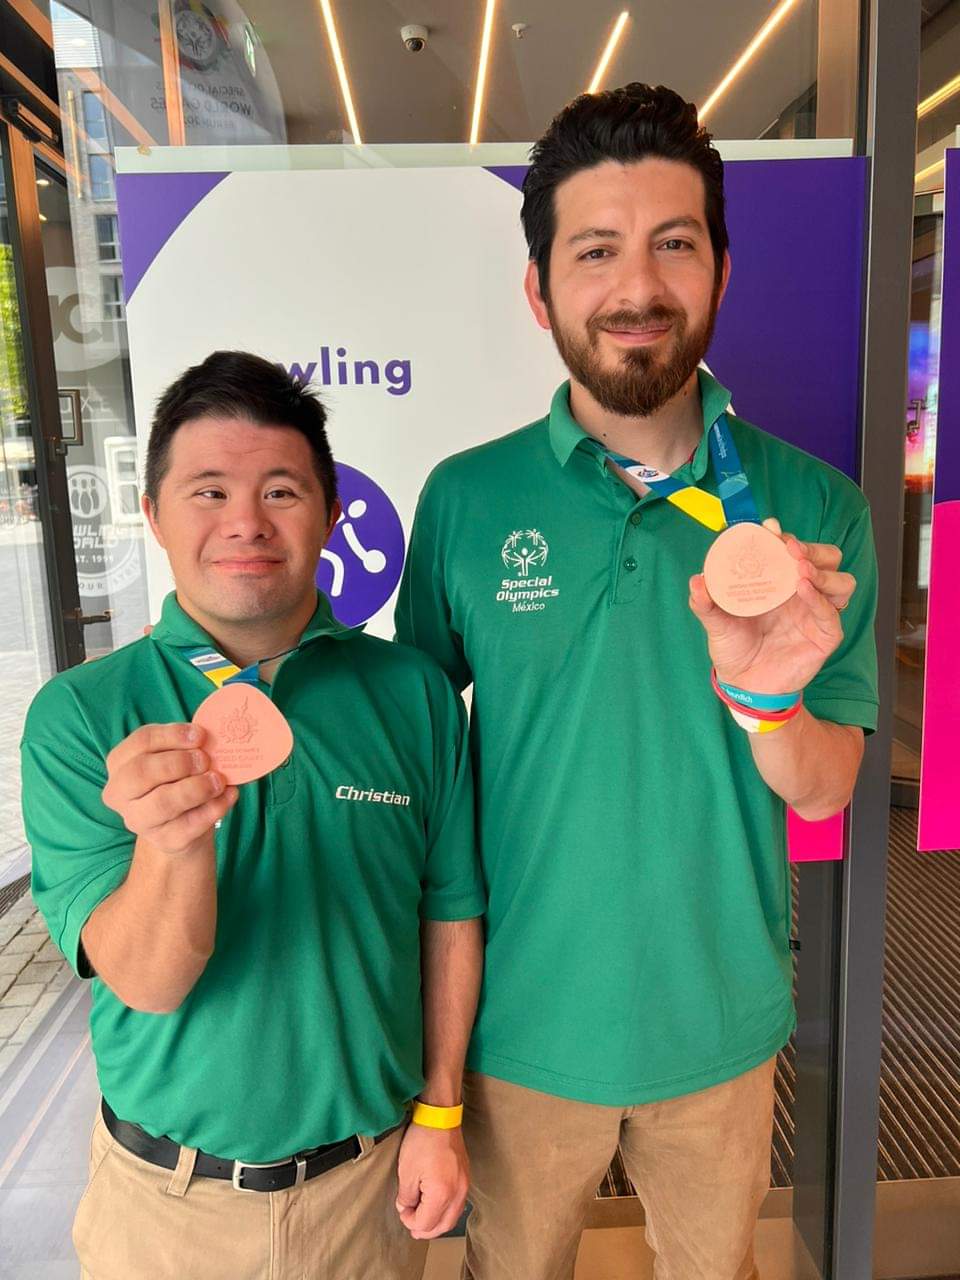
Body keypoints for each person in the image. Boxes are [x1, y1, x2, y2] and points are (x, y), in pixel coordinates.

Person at [396, 84, 878, 1280]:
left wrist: (768, 698)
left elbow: (824, 789)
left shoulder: (816, 511)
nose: (638, 286)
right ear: (540, 286)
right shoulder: (467, 499)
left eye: (674, 242)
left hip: (719, 1029)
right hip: (518, 1035)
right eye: (596, 249)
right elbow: (412, 759)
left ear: (719, 267)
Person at [22, 351, 485, 1280]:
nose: (245, 523)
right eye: (207, 491)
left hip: (369, 1195)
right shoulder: (81, 717)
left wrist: (441, 1113)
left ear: (331, 514)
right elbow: (147, 981)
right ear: (152, 515)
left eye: (281, 490)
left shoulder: (414, 695)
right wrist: (172, 842)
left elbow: (449, 918)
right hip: (165, 1211)